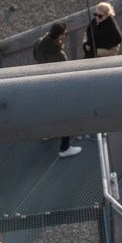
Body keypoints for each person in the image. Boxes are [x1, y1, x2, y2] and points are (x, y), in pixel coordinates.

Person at [33, 21, 81, 158]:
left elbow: (36, 57)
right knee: (67, 115)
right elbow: (65, 76)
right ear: (60, 36)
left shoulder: (38, 43)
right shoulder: (59, 55)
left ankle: (47, 133)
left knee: (48, 110)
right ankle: (64, 148)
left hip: (43, 85)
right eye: (65, 34)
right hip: (57, 89)